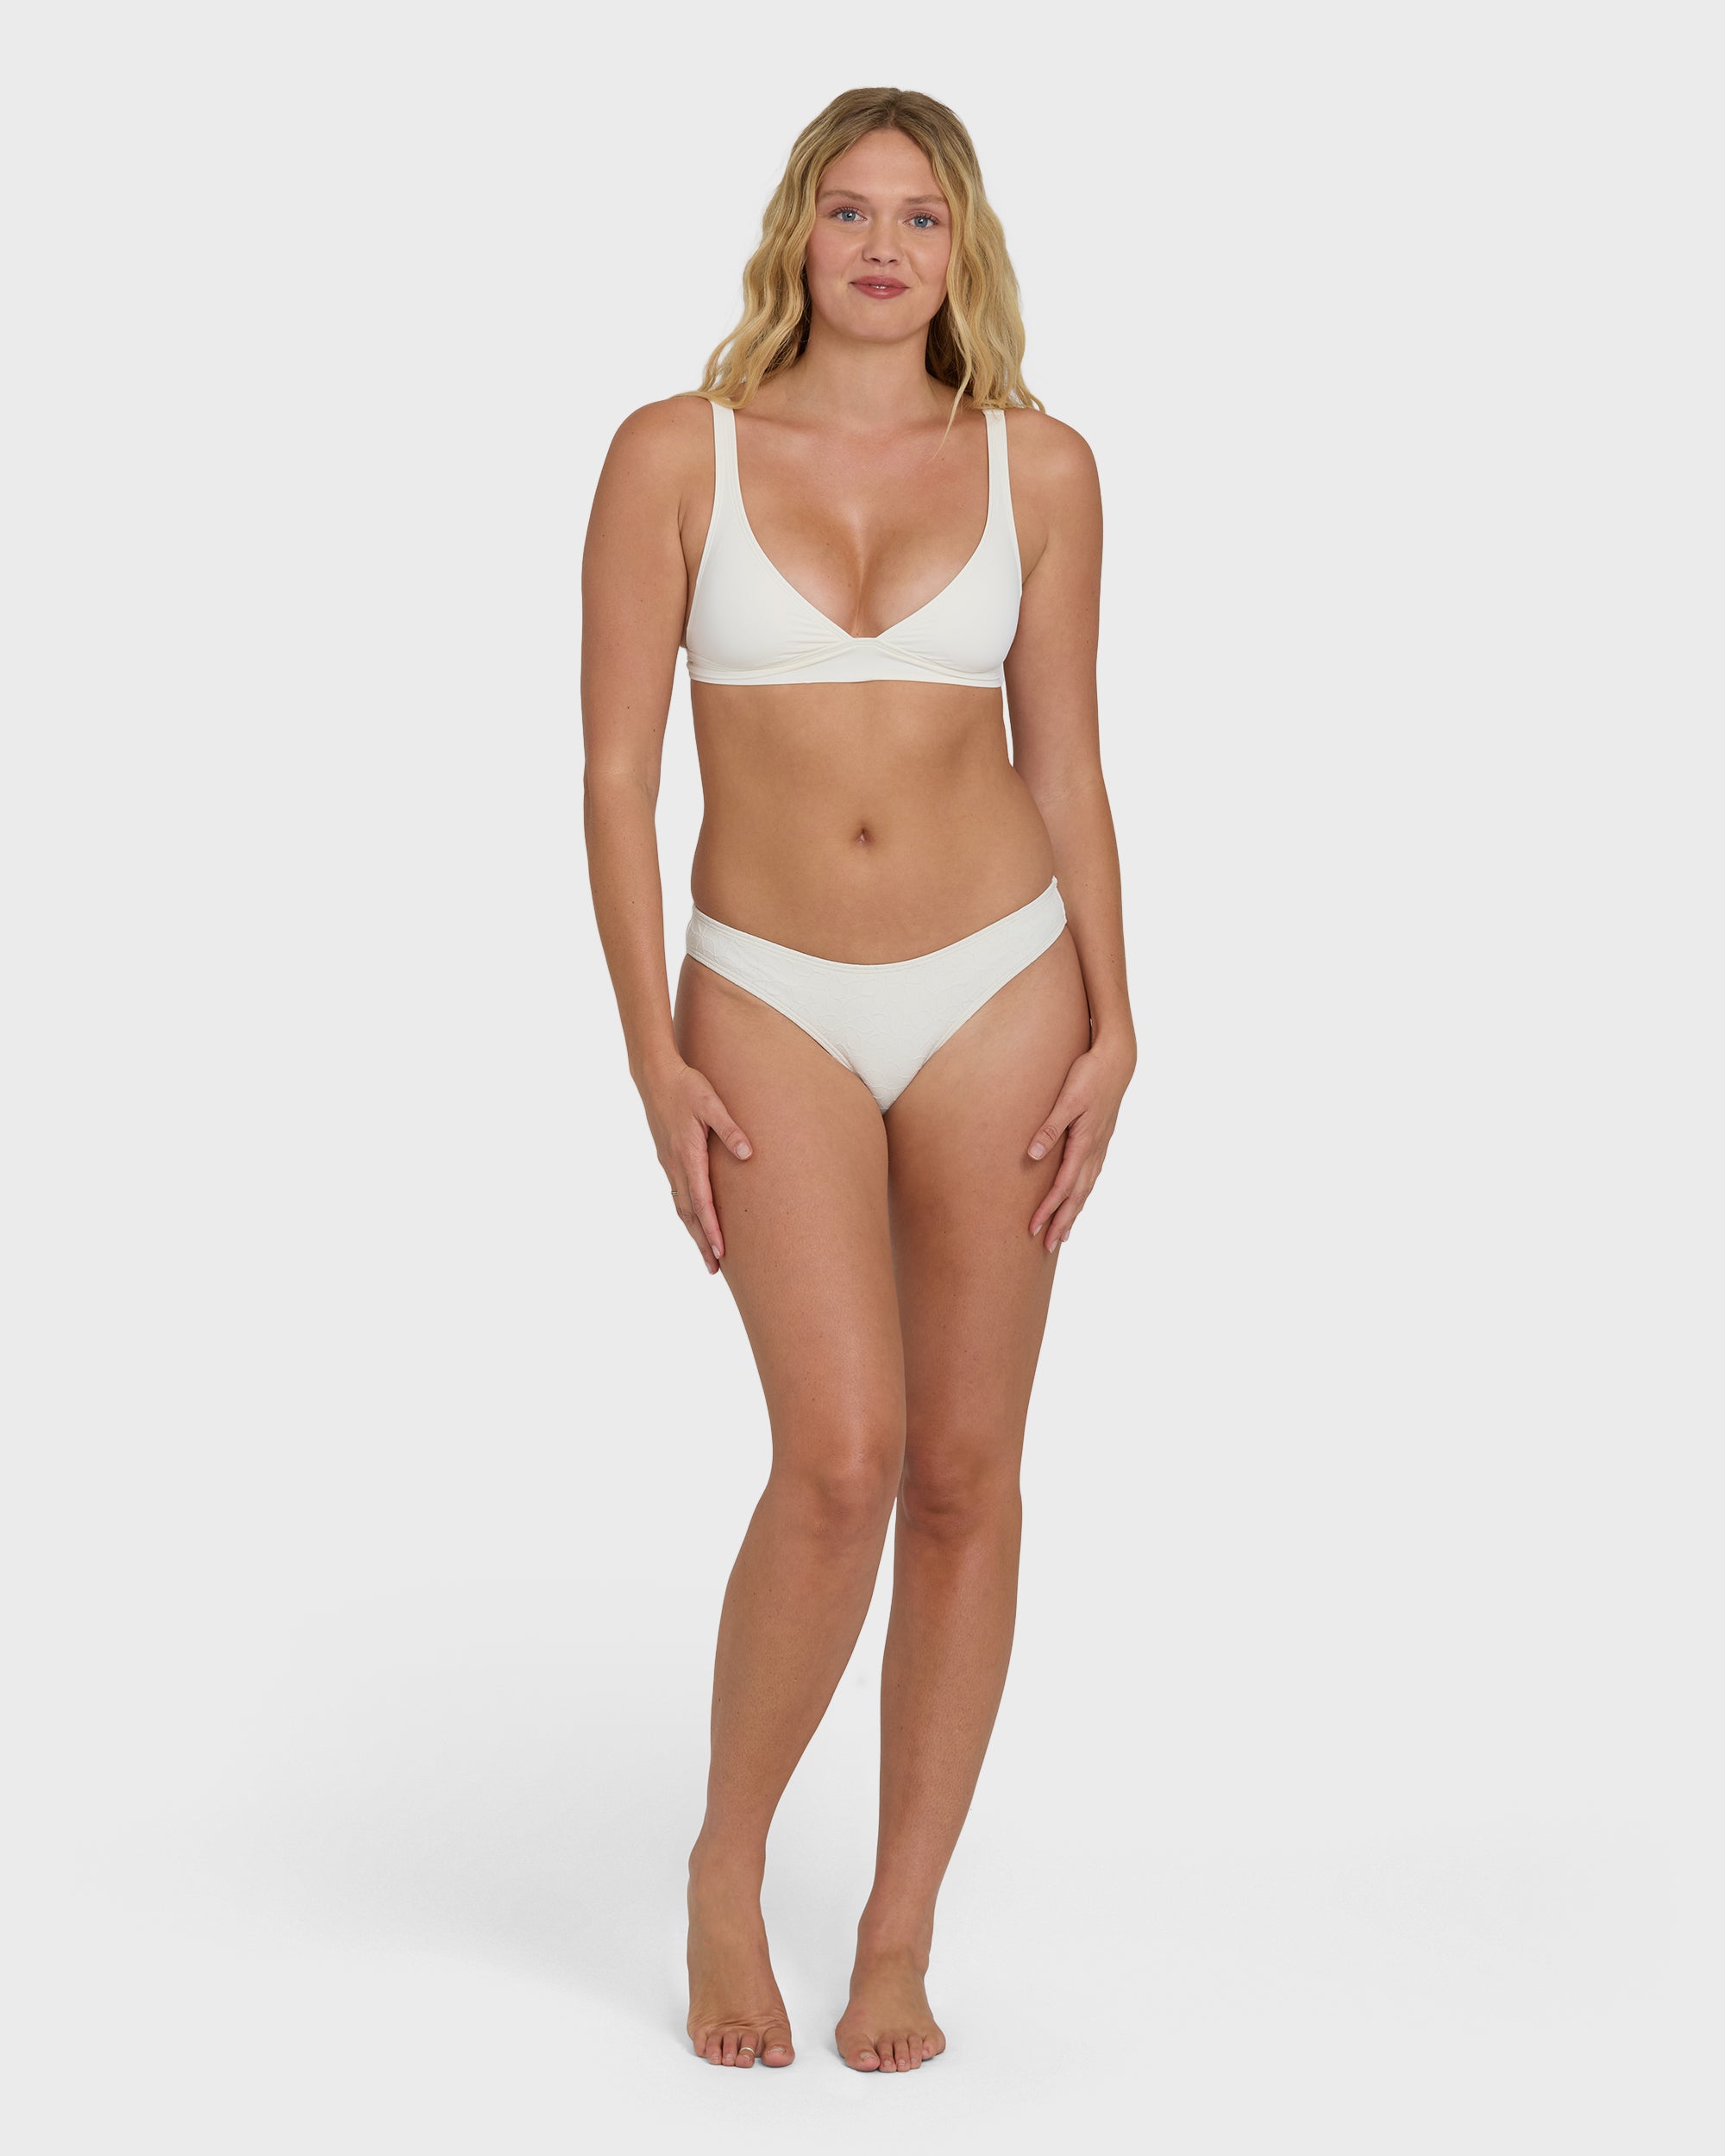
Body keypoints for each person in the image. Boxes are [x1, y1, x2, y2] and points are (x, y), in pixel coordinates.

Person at [581, 85, 1136, 2074]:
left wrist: (1119, 1021)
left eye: (917, 214)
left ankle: (897, 1929)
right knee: (839, 1457)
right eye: (846, 210)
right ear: (794, 237)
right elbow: (616, 776)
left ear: (959, 245)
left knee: (967, 1473)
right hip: (765, 991)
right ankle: (727, 1862)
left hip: (1002, 983)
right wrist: (650, 1050)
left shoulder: (1043, 468)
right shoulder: (676, 453)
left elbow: (1068, 760)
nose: (882, 246)